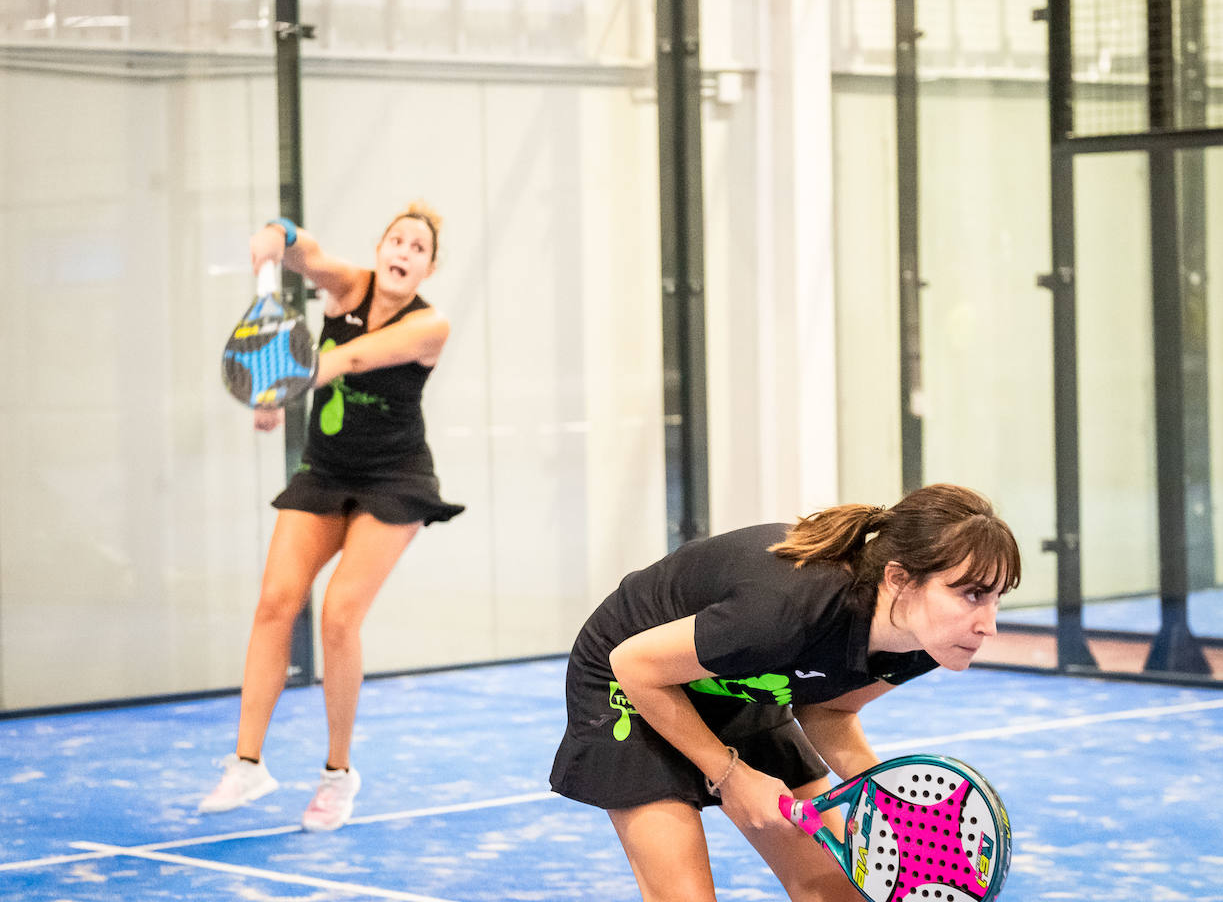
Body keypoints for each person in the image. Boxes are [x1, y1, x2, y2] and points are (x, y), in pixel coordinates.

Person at [549, 482, 1020, 902]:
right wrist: (730, 775)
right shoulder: (788, 608)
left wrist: (886, 796)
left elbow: (828, 709)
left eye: (997, 597)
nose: (989, 625)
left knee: (836, 893)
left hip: (741, 681)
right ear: (899, 578)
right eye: (971, 594)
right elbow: (634, 665)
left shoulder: (919, 643)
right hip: (632, 678)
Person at [199, 203, 464, 832]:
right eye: (395, 240)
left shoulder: (431, 325)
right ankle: (246, 764)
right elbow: (306, 256)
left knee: (341, 614)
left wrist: (272, 383)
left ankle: (338, 775)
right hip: (326, 472)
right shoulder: (348, 286)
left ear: (428, 266)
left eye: (417, 248)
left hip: (394, 480)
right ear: (380, 249)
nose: (403, 251)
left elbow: (347, 360)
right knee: (275, 603)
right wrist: (278, 237)